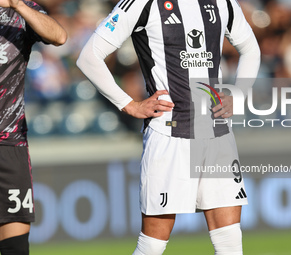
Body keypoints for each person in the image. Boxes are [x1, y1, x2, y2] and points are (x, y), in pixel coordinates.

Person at [77, 0, 260, 254]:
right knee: (152, 245)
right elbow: (88, 57)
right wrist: (129, 104)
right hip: (168, 132)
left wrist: (239, 95)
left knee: (230, 243)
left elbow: (250, 48)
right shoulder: (142, 3)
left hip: (217, 132)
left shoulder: (222, 2)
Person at [0, 0, 67, 254]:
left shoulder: (22, 11)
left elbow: (59, 36)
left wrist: (18, 5)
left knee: (16, 247)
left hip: (10, 143)